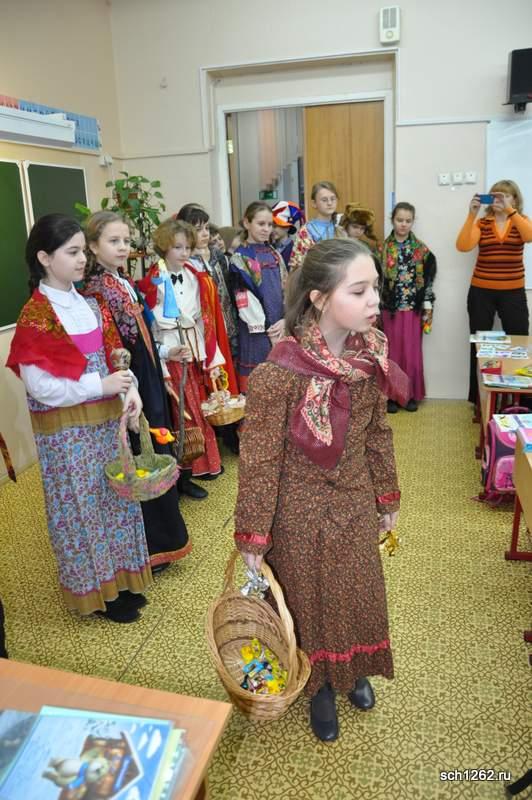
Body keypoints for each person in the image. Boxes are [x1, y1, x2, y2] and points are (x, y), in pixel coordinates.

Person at [234, 238, 408, 741]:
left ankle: (352, 669)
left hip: (352, 498)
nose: (374, 300)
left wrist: (386, 495)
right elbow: (260, 461)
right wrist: (253, 535)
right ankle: (320, 686)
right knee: (307, 600)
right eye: (359, 290)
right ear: (319, 297)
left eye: (375, 288)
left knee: (355, 589)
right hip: (298, 510)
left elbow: (377, 433)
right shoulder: (279, 373)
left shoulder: (369, 358)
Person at [6, 214, 152, 623]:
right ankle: (99, 593)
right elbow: (41, 388)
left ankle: (122, 580)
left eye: (82, 251)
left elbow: (116, 356)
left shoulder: (91, 304)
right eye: (72, 252)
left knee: (114, 500)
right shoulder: (36, 317)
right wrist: (100, 386)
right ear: (44, 258)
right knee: (82, 510)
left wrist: (130, 391)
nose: (82, 259)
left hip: (105, 425)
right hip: (68, 436)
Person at [83, 211, 191, 570]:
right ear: (93, 246)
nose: (122, 247)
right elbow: (112, 349)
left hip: (147, 373)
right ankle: (148, 545)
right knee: (141, 454)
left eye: (126, 241)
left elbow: (143, 336)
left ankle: (166, 540)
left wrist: (165, 354)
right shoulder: (96, 290)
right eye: (113, 241)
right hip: (130, 383)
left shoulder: (123, 280)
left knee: (155, 446)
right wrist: (127, 389)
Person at [138, 218, 223, 483]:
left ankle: (206, 462)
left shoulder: (196, 276)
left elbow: (205, 318)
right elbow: (150, 327)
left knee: (200, 402)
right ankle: (188, 468)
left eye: (187, 247)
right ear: (165, 247)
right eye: (177, 247)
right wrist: (165, 355)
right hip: (171, 347)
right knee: (183, 407)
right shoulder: (153, 281)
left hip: (194, 345)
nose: (184, 252)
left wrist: (210, 356)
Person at [456, 180, 532, 403]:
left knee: (519, 344)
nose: (500, 200)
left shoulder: (521, 221)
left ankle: (521, 402)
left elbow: (529, 236)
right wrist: (472, 214)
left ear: (515, 200)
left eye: (505, 196)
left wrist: (510, 212)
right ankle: (479, 401)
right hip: (481, 293)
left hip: (513, 293)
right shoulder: (483, 223)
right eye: (496, 196)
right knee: (479, 346)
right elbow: (463, 246)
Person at [378, 202, 436, 413]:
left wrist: (427, 305)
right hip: (390, 309)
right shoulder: (382, 249)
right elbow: (376, 280)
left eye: (408, 221)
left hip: (412, 308)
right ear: (392, 220)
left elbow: (428, 280)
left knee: (411, 354)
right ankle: (391, 396)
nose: (403, 224)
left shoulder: (421, 249)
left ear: (413, 222)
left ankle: (410, 395)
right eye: (399, 220)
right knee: (391, 354)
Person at [228, 201, 287, 392]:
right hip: (256, 331)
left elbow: (286, 288)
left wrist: (286, 319)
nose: (266, 229)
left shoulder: (275, 254)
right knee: (259, 385)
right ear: (247, 223)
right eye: (261, 224)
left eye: (270, 225)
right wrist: (268, 329)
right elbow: (244, 300)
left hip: (280, 326)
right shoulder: (240, 258)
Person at [176, 204, 238, 359]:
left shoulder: (217, 255)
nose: (205, 234)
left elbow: (228, 290)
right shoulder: (183, 262)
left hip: (227, 323)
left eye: (207, 228)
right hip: (203, 327)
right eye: (198, 230)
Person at [289, 181, 345, 270]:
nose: (329, 203)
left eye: (333, 199)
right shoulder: (307, 231)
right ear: (314, 203)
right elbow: (297, 266)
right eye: (324, 200)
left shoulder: (341, 228)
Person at [271, 200, 304, 267]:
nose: (271, 229)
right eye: (270, 225)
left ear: (287, 227)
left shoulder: (295, 250)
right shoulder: (269, 247)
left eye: (275, 226)